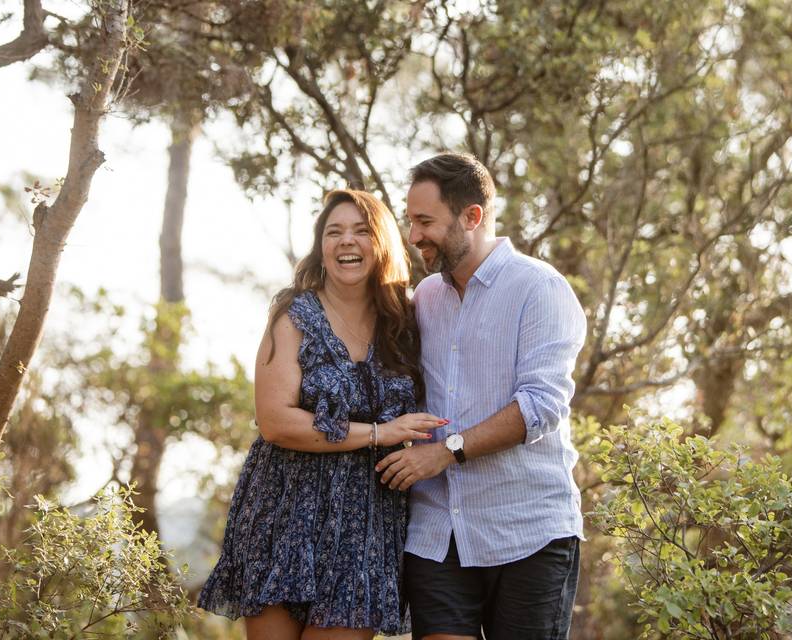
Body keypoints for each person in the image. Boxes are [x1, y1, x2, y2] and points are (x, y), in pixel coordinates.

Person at [198, 189, 446, 640]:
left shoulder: (407, 321)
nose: (346, 242)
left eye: (360, 231)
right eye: (334, 232)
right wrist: (379, 432)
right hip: (285, 510)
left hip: (368, 521)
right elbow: (275, 422)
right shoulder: (295, 315)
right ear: (322, 246)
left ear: (382, 243)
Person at [376, 153, 587, 640]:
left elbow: (541, 406)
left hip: (529, 531)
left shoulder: (540, 289)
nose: (414, 236)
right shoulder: (425, 298)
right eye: (411, 222)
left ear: (472, 217)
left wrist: (446, 452)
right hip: (437, 535)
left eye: (425, 221)